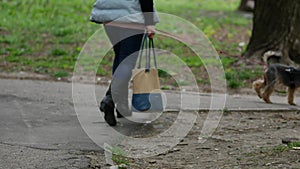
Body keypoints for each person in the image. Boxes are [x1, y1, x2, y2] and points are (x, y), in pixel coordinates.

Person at [90, 0, 158, 126]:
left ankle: (121, 105)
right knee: (127, 61)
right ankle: (109, 99)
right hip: (131, 18)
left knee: (121, 56)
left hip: (110, 17)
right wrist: (149, 22)